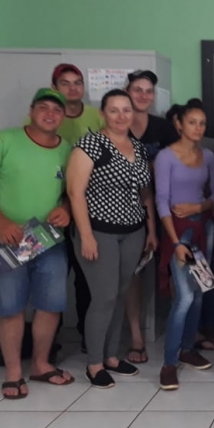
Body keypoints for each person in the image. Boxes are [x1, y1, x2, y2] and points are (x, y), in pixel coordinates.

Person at [0, 88, 75, 399]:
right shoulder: (3, 141)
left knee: (50, 305)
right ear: (31, 111)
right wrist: (1, 222)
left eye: (56, 110)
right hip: (6, 239)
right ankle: (14, 373)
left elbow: (71, 192)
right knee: (10, 307)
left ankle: (41, 364)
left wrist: (66, 209)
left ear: (63, 116)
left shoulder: (66, 150)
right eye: (43, 107)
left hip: (48, 240)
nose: (50, 114)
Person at [67, 89, 157, 389]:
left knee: (120, 293)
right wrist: (86, 235)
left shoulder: (138, 147)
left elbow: (145, 192)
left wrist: (151, 230)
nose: (121, 116)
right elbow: (75, 192)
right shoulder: (90, 145)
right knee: (104, 296)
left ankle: (111, 357)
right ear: (103, 114)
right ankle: (94, 364)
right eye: (114, 110)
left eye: (126, 110)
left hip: (133, 231)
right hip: (98, 231)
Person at [155, 99, 214, 390]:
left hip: (202, 228)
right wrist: (174, 243)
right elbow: (161, 201)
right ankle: (169, 364)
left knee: (198, 293)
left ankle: (187, 348)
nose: (197, 128)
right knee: (183, 297)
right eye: (192, 122)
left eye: (202, 123)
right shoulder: (165, 157)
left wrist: (198, 208)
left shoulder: (207, 155)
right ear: (179, 124)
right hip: (178, 233)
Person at [124, 69, 178, 364]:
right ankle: (136, 335)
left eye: (148, 91)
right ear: (127, 92)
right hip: (126, 210)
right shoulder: (118, 125)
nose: (143, 95)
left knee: (173, 269)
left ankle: (181, 332)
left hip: (165, 208)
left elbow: (175, 165)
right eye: (137, 90)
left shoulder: (163, 128)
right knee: (133, 274)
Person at [50, 63, 104, 349]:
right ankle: (49, 340)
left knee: (86, 278)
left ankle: (87, 336)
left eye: (77, 82)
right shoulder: (48, 117)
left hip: (87, 208)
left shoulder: (96, 116)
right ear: (54, 87)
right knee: (52, 276)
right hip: (51, 209)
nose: (73, 88)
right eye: (65, 83)